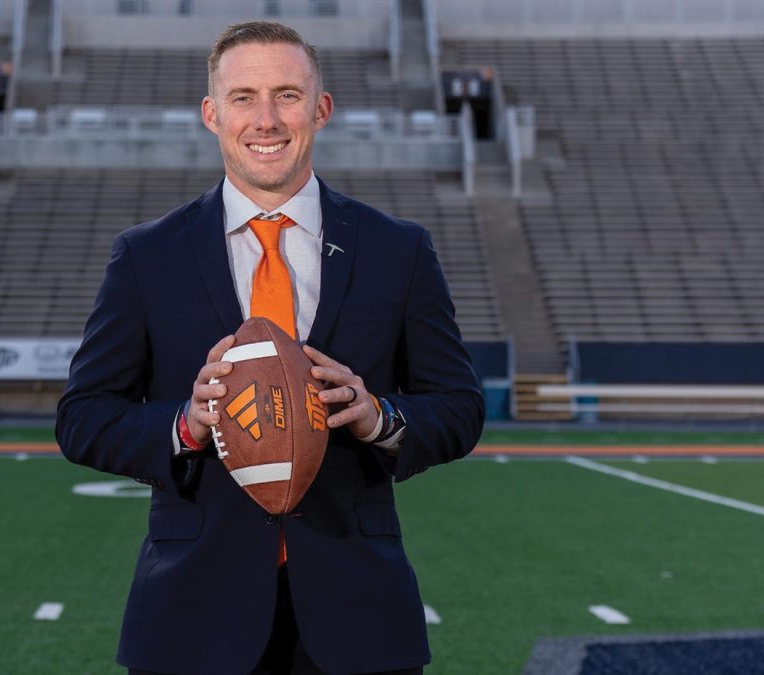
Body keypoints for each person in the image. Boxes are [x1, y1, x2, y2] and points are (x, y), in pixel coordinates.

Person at [56, 21, 484, 675]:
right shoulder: (148, 256)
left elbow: (458, 406)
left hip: (359, 615)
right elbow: (83, 418)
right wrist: (186, 423)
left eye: (287, 95)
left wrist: (379, 417)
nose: (266, 119)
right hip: (193, 615)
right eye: (243, 97)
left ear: (321, 108)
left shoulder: (399, 249)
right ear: (211, 113)